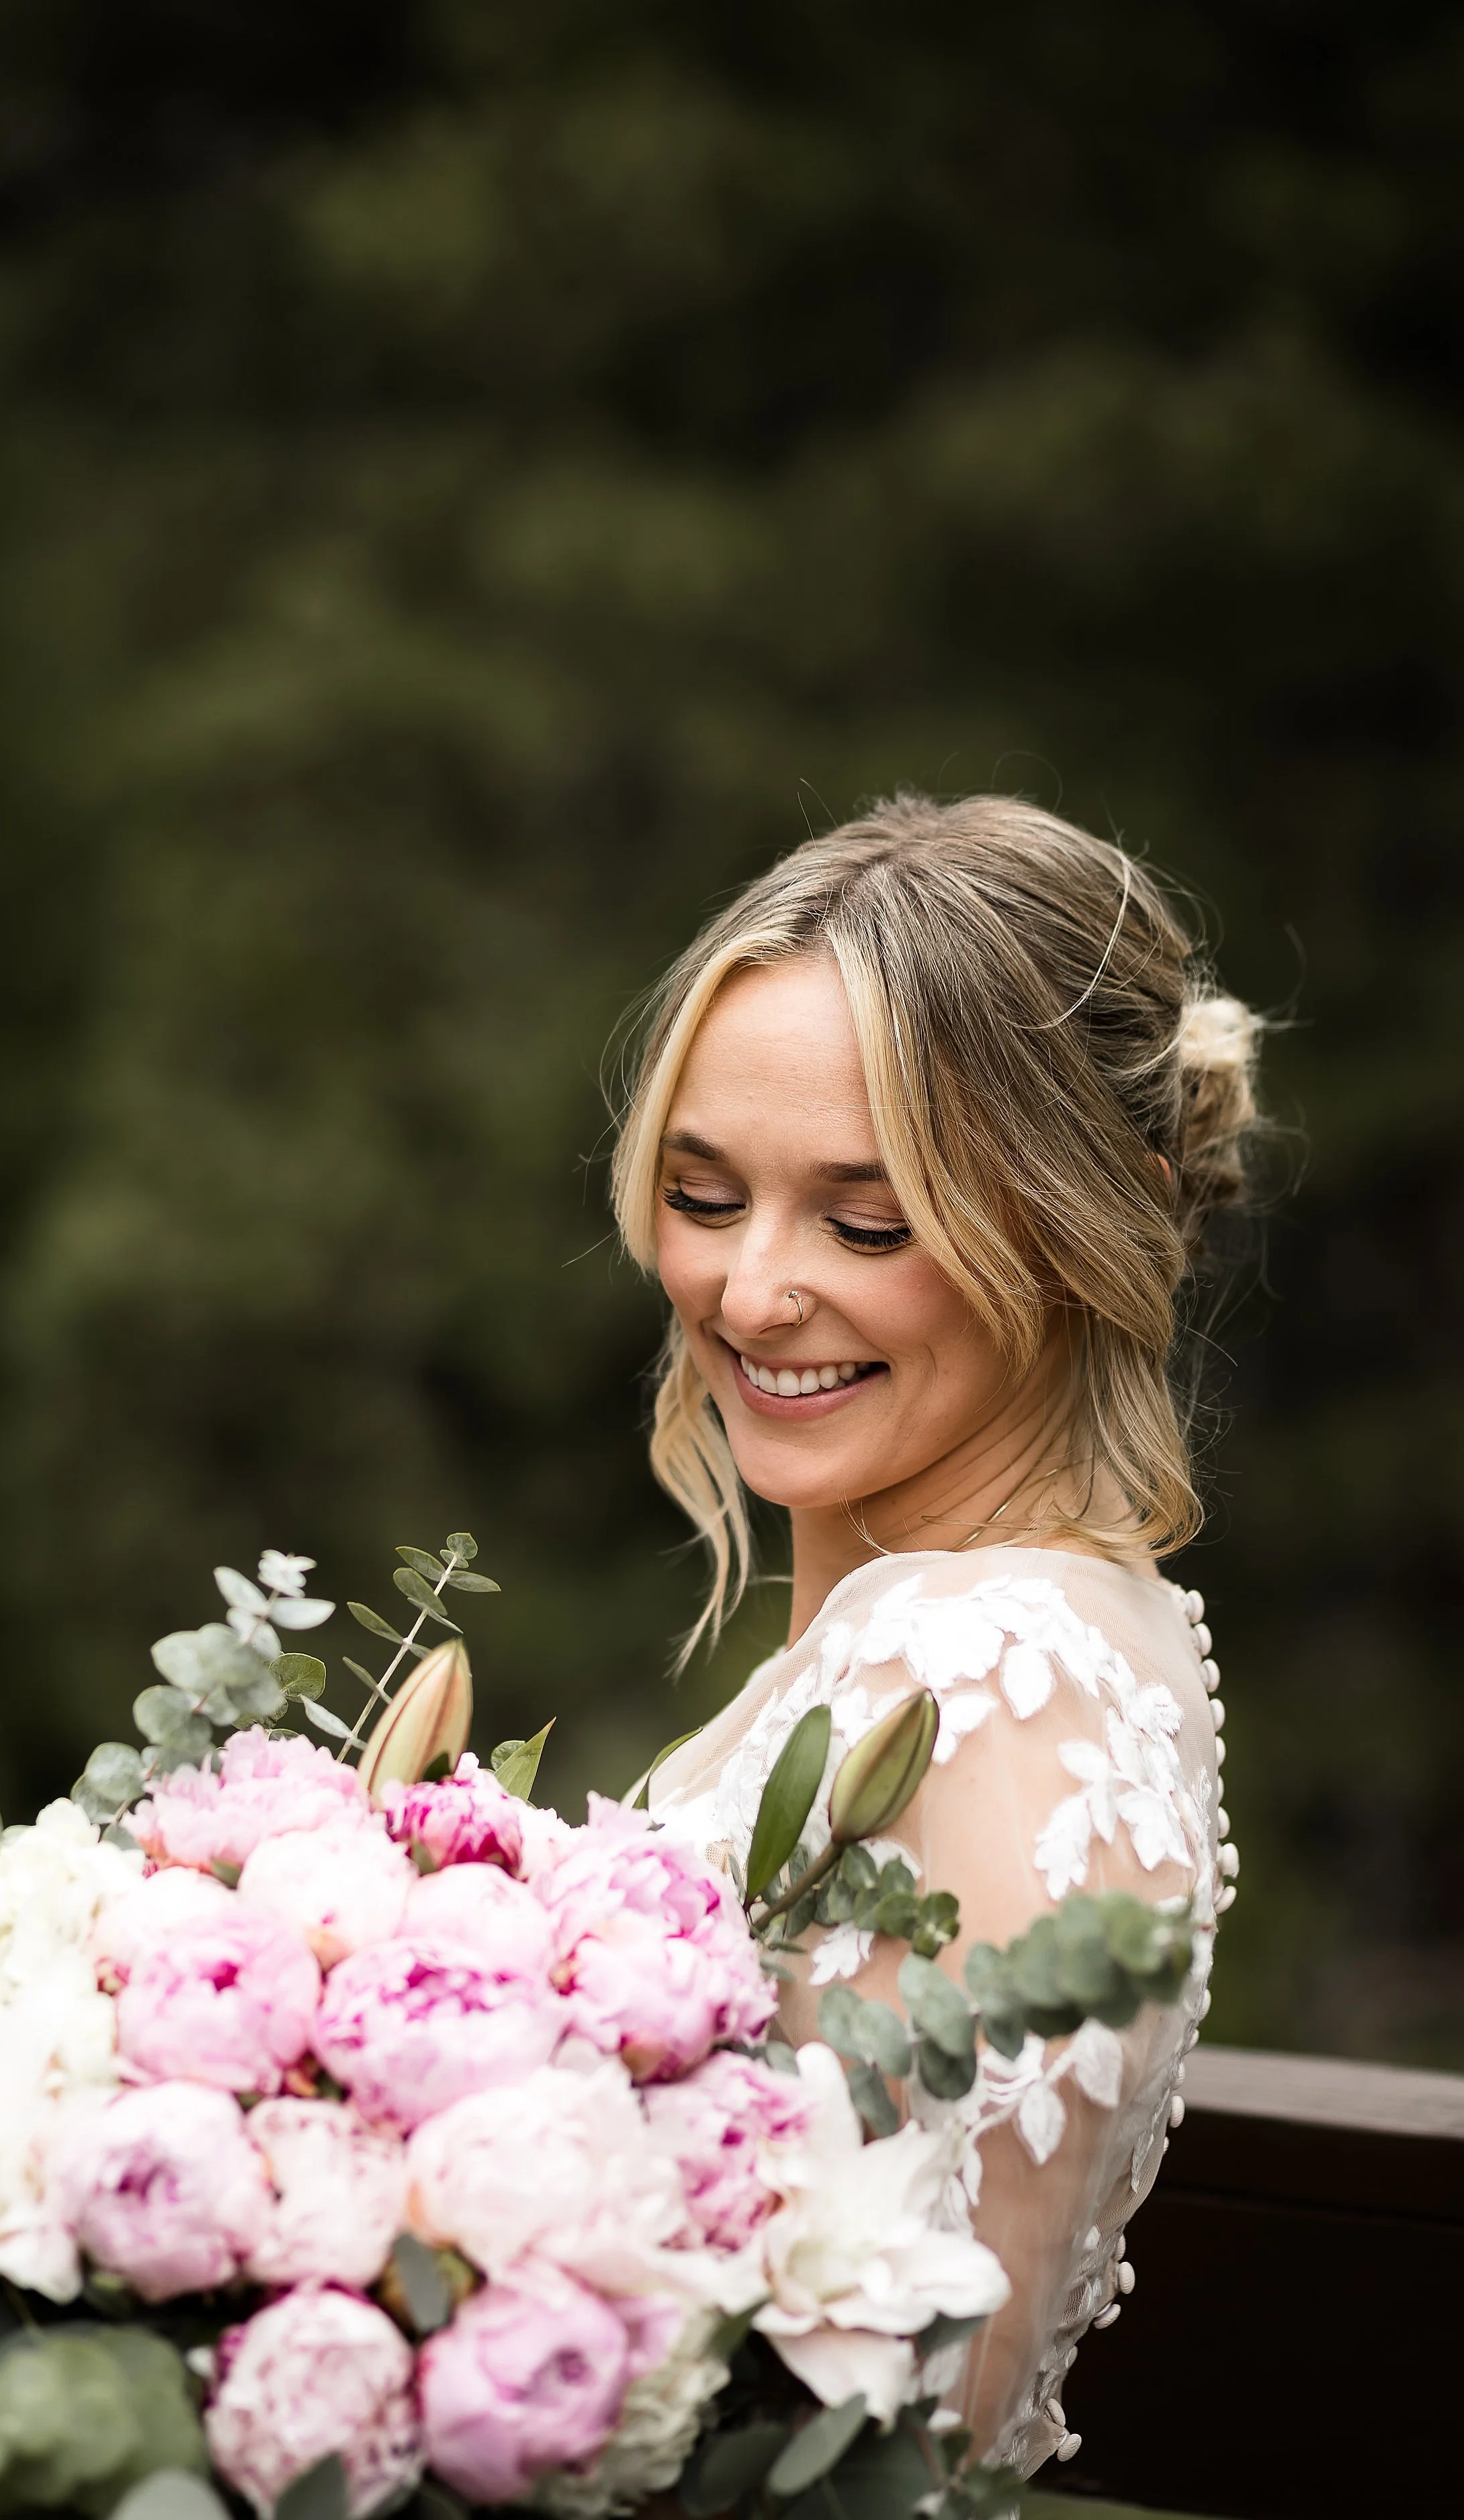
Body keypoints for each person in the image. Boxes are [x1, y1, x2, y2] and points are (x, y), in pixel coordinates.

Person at [611, 792, 1258, 2477]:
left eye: (864, 1221)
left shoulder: (982, 1674)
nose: (748, 1293)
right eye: (701, 1192)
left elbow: (888, 2439)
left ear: (1064, 1219)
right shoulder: (1019, 1626)